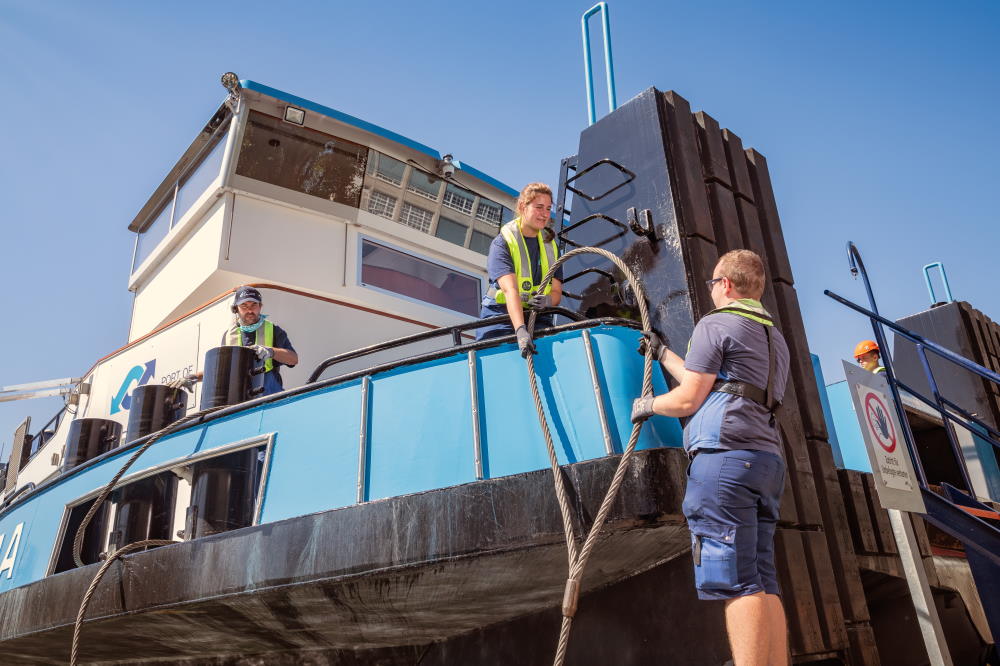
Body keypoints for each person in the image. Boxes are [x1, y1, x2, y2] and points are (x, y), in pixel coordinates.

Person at [631, 249, 791, 666]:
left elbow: (688, 400)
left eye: (712, 282)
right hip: (766, 462)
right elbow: (716, 384)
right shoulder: (774, 337)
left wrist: (646, 405)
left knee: (735, 582)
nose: (711, 289)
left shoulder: (715, 324)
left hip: (724, 462)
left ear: (726, 284)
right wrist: (663, 354)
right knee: (762, 579)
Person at [476, 182, 563, 356]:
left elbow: (556, 291)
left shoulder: (551, 246)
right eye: (539, 207)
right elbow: (510, 290)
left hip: (537, 317)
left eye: (548, 208)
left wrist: (547, 301)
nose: (545, 214)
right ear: (523, 207)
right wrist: (521, 330)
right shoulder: (503, 243)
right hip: (501, 317)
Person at [171, 286, 298, 397]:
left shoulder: (274, 330)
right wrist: (194, 377)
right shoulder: (228, 336)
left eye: (254, 305)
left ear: (260, 307)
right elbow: (221, 368)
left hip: (269, 398)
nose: (249, 310)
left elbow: (293, 359)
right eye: (244, 306)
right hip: (238, 400)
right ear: (236, 309)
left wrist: (270, 351)